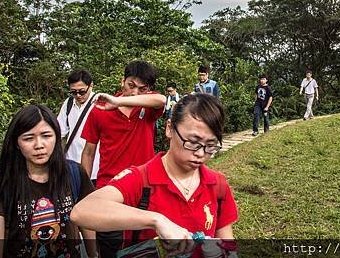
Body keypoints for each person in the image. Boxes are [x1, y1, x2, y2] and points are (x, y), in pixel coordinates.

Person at [71, 93, 239, 258]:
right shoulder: (140, 179)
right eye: (193, 142)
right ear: (169, 129)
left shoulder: (217, 184)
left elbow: (227, 244)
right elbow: (82, 211)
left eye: (210, 146)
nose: (201, 153)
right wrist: (156, 220)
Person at [0, 105, 96, 258]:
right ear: (17, 143)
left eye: (46, 136)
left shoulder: (74, 174)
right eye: (29, 138)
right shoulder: (6, 184)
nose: (39, 145)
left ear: (56, 136)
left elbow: (86, 221)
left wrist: (93, 253)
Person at [80, 60, 166, 258]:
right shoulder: (99, 111)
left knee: (142, 248)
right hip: (110, 189)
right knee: (110, 246)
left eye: (142, 89)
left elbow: (161, 100)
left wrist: (119, 102)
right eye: (131, 85)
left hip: (144, 190)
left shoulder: (148, 108)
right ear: (122, 81)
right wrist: (85, 189)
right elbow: (88, 152)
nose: (135, 92)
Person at [57, 69, 100, 185]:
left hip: (95, 168)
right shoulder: (69, 103)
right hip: (71, 164)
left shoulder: (100, 104)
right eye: (73, 92)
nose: (78, 95)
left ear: (91, 86)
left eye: (82, 91)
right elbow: (59, 132)